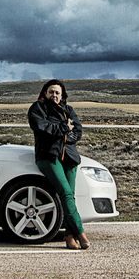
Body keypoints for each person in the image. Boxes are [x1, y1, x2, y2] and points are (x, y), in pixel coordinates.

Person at [28, 78, 90, 250]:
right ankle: (81, 232)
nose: (54, 95)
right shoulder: (37, 108)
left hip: (69, 157)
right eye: (51, 91)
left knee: (70, 195)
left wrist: (65, 134)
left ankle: (69, 237)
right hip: (48, 156)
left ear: (62, 95)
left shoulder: (68, 110)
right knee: (66, 193)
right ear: (45, 93)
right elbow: (42, 128)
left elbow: (77, 131)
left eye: (57, 92)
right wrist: (64, 128)